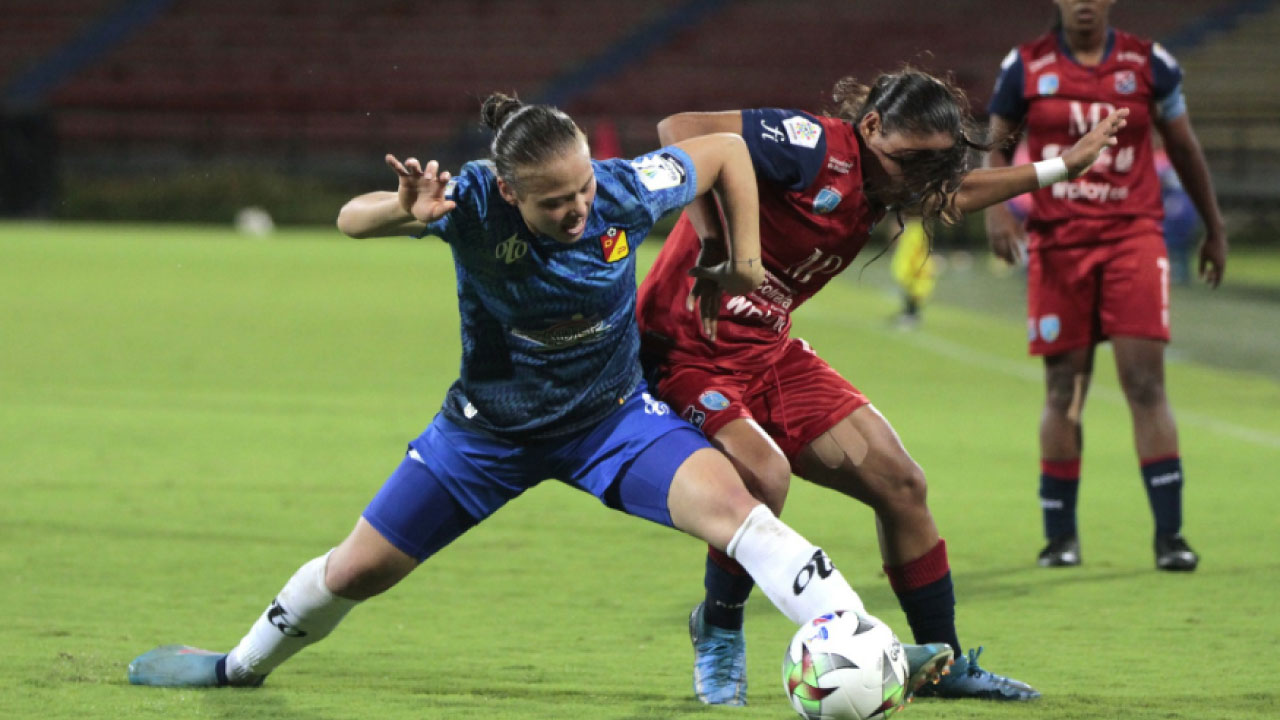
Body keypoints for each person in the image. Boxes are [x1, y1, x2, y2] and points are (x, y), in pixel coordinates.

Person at [125, 93, 956, 701]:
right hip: (487, 435)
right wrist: (400, 211)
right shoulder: (475, 205)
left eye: (583, 191)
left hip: (611, 423)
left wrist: (737, 257)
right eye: (555, 201)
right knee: (358, 569)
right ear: (513, 191)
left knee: (744, 517)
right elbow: (350, 218)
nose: (578, 211)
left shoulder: (625, 187)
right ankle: (236, 668)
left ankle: (863, 643)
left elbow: (727, 154)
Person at [636, 69, 1127, 705]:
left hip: (766, 352)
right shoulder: (809, 145)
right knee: (765, 475)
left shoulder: (890, 174)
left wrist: (1060, 167)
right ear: (871, 127)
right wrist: (710, 242)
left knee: (902, 482)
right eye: (911, 161)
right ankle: (720, 627)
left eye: (933, 165)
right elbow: (680, 132)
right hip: (685, 350)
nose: (920, 179)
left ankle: (942, 664)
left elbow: (948, 196)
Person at [984, 0, 1227, 571]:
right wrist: (996, 211)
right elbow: (993, 138)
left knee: (1145, 384)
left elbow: (1185, 147)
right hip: (1058, 243)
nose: (1085, 3)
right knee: (1064, 389)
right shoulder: (1025, 65)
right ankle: (1060, 539)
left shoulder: (1149, 63)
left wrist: (1213, 228)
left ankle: (1170, 538)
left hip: (1132, 239)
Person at [889, 218, 938, 328]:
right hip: (912, 263)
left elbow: (917, 249)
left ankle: (912, 315)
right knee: (909, 289)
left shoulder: (917, 230)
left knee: (916, 291)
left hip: (917, 265)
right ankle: (908, 313)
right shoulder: (915, 229)